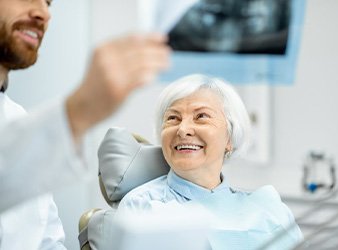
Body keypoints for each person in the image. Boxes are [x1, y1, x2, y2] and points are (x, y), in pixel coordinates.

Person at [0, 0, 170, 249]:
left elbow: (48, 241)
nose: (44, 13)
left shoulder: (16, 117)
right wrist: (78, 111)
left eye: (48, 3)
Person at [117, 74, 303, 249]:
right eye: (173, 118)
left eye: (201, 117)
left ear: (229, 138)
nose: (183, 129)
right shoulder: (142, 207)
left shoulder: (269, 209)